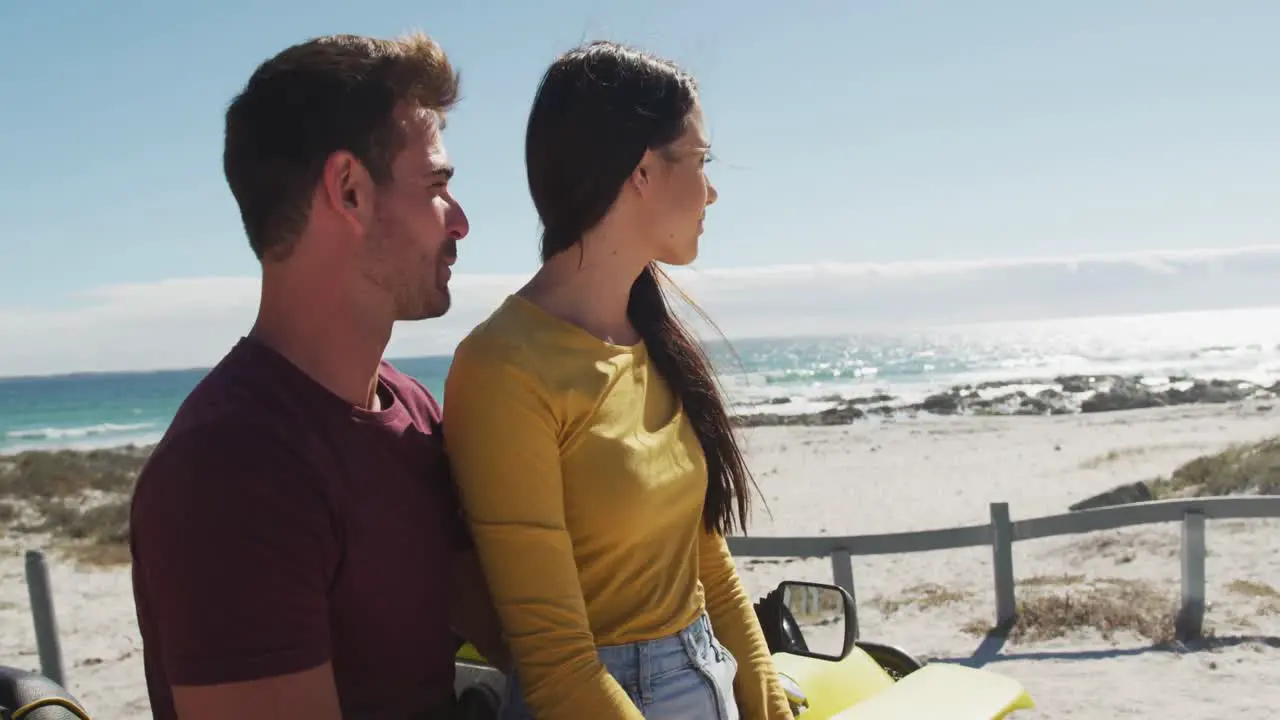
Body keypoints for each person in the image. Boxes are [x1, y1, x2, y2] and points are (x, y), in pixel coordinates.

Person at [128, 32, 508, 720]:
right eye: (437, 187)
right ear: (350, 191)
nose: (461, 222)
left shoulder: (413, 409)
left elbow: (516, 631)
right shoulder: (231, 472)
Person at [442, 41, 794, 720]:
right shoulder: (504, 367)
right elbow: (557, 666)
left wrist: (768, 702)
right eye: (699, 161)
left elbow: (704, 562)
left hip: (706, 677)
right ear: (639, 170)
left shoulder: (652, 339)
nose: (712, 189)